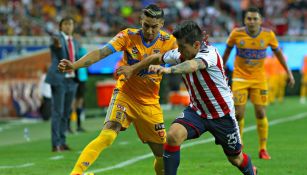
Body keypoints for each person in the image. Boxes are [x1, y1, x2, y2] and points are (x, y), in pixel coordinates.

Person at [117, 20, 257, 175]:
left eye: (183, 46)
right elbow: (154, 58)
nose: (180, 50)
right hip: (197, 111)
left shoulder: (210, 54)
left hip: (222, 115)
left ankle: (252, 171)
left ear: (196, 45)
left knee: (235, 159)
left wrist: (169, 70)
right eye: (179, 46)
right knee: (173, 136)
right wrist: (132, 68)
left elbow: (193, 65)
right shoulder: (180, 54)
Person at [58, 4, 177, 175]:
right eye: (146, 25)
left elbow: (183, 60)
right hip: (125, 94)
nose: (150, 30)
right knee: (108, 134)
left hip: (150, 103)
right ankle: (75, 173)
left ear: (162, 24)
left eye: (154, 26)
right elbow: (101, 53)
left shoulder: (170, 42)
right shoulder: (128, 35)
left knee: (161, 155)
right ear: (140, 21)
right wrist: (74, 65)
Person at [222, 7, 295, 160]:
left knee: (261, 113)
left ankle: (263, 149)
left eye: (255, 19)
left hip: (259, 79)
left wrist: (288, 73)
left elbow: (279, 54)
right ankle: (239, 146)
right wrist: (220, 70)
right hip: (240, 78)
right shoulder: (236, 33)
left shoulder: (268, 35)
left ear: (261, 20)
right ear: (244, 20)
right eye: (249, 18)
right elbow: (227, 52)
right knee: (239, 114)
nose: (252, 21)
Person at [45, 16, 80, 152]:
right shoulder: (57, 38)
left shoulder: (75, 42)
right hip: (59, 79)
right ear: (61, 27)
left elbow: (76, 59)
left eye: (70, 24)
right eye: (65, 24)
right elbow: (57, 49)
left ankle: (63, 141)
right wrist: (57, 46)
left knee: (66, 112)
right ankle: (55, 144)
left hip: (71, 79)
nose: (68, 27)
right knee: (57, 112)